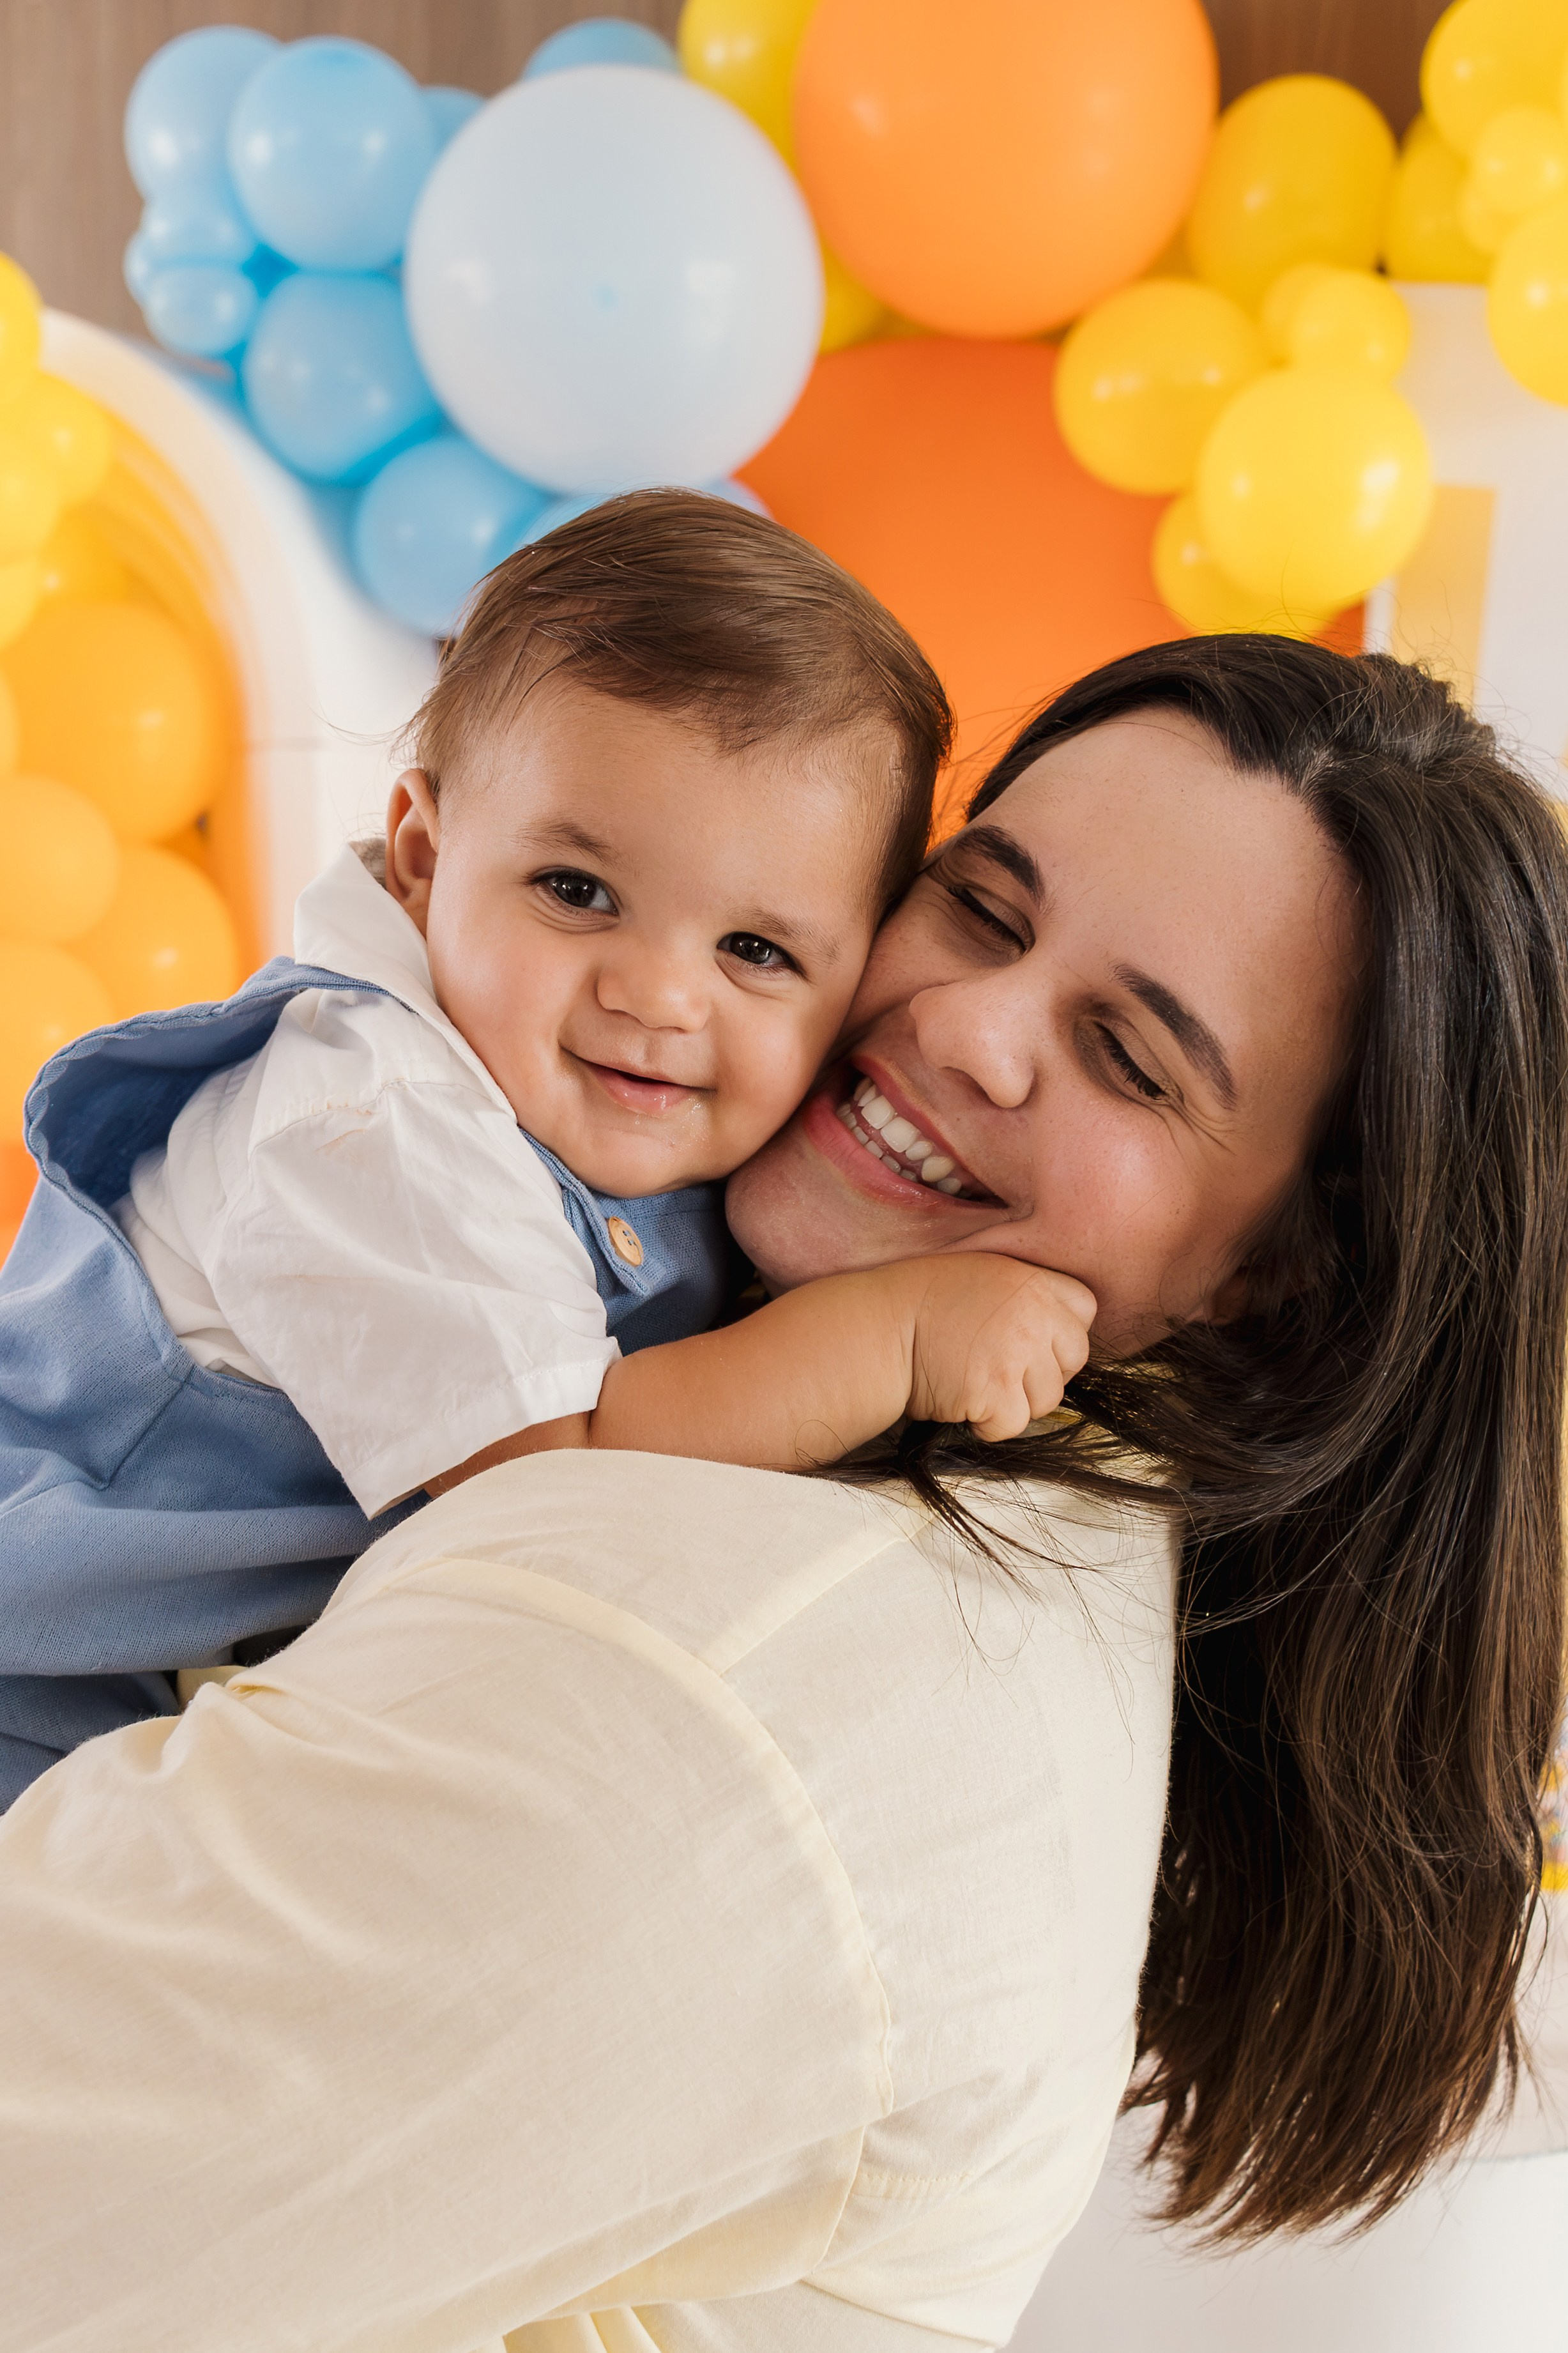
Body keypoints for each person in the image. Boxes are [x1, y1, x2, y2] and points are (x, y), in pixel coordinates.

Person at [1, 638, 1564, 2353]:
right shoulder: (934, 1469)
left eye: (1129, 1055)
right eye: (981, 905)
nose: (966, 1027)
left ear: (1282, 1274)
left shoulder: (705, 1656)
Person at [0, 491, 1090, 1809]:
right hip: (39, 1675)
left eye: (754, 950)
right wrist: (900, 1339)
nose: (659, 996)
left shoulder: (628, 1106)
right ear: (421, 853)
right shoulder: (366, 1116)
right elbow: (550, 1494)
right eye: (577, 893)